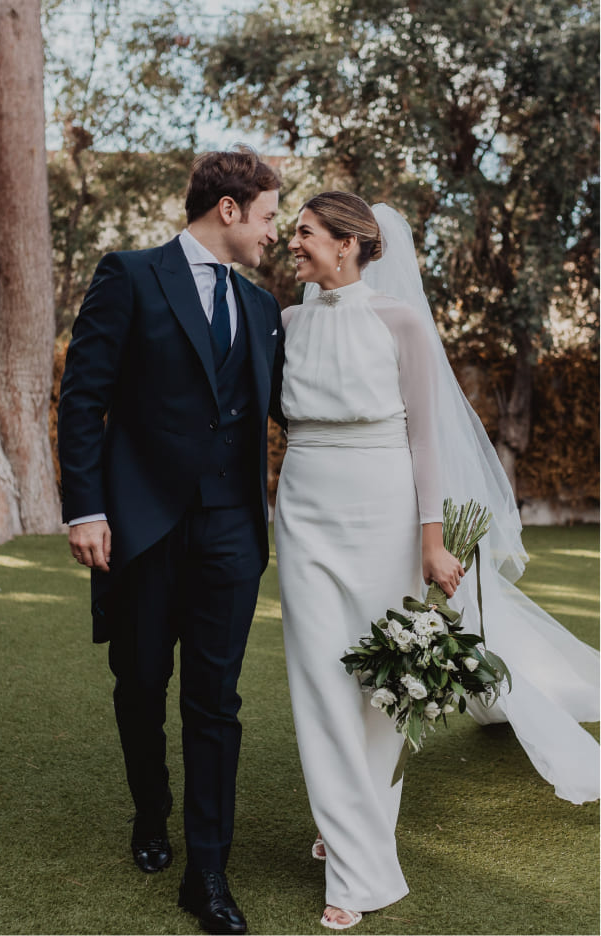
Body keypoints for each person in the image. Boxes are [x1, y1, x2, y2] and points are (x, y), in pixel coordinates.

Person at [274, 192, 599, 930]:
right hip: (302, 508)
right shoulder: (285, 324)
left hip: (385, 509)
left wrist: (430, 537)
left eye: (305, 233)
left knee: (380, 682)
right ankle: (354, 849)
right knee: (317, 680)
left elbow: (425, 436)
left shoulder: (401, 323)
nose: (292, 244)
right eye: (291, 231)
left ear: (350, 243)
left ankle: (352, 842)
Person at [58, 147, 285, 936]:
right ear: (228, 209)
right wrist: (85, 509)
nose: (271, 233)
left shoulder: (260, 310)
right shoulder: (129, 274)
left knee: (215, 705)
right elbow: (83, 398)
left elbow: (295, 408)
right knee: (140, 684)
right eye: (265, 216)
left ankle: (208, 872)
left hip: (231, 531)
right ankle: (149, 812)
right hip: (141, 527)